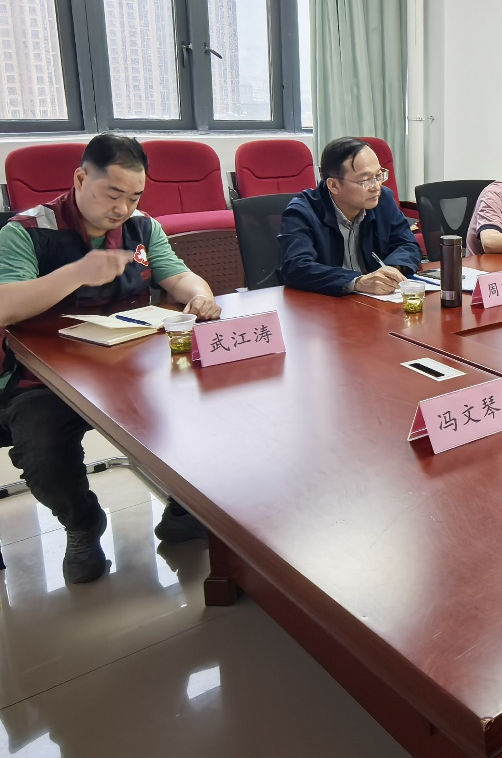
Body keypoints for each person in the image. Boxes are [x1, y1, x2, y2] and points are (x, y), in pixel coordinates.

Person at [0, 134, 222, 584]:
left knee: (210, 406)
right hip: (50, 376)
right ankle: (82, 523)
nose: (123, 208)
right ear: (81, 178)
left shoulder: (142, 227)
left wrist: (199, 295)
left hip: (134, 365)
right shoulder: (27, 231)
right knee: (42, 452)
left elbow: (176, 274)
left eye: (135, 196)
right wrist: (76, 273)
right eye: (113, 193)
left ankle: (185, 510)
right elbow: (6, 306)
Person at [277, 137, 422, 296]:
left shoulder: (382, 199)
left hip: (375, 300)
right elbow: (296, 267)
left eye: (379, 175)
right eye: (366, 180)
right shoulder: (302, 211)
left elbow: (408, 244)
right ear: (334, 185)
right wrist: (357, 282)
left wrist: (391, 271)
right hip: (327, 303)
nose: (376, 187)